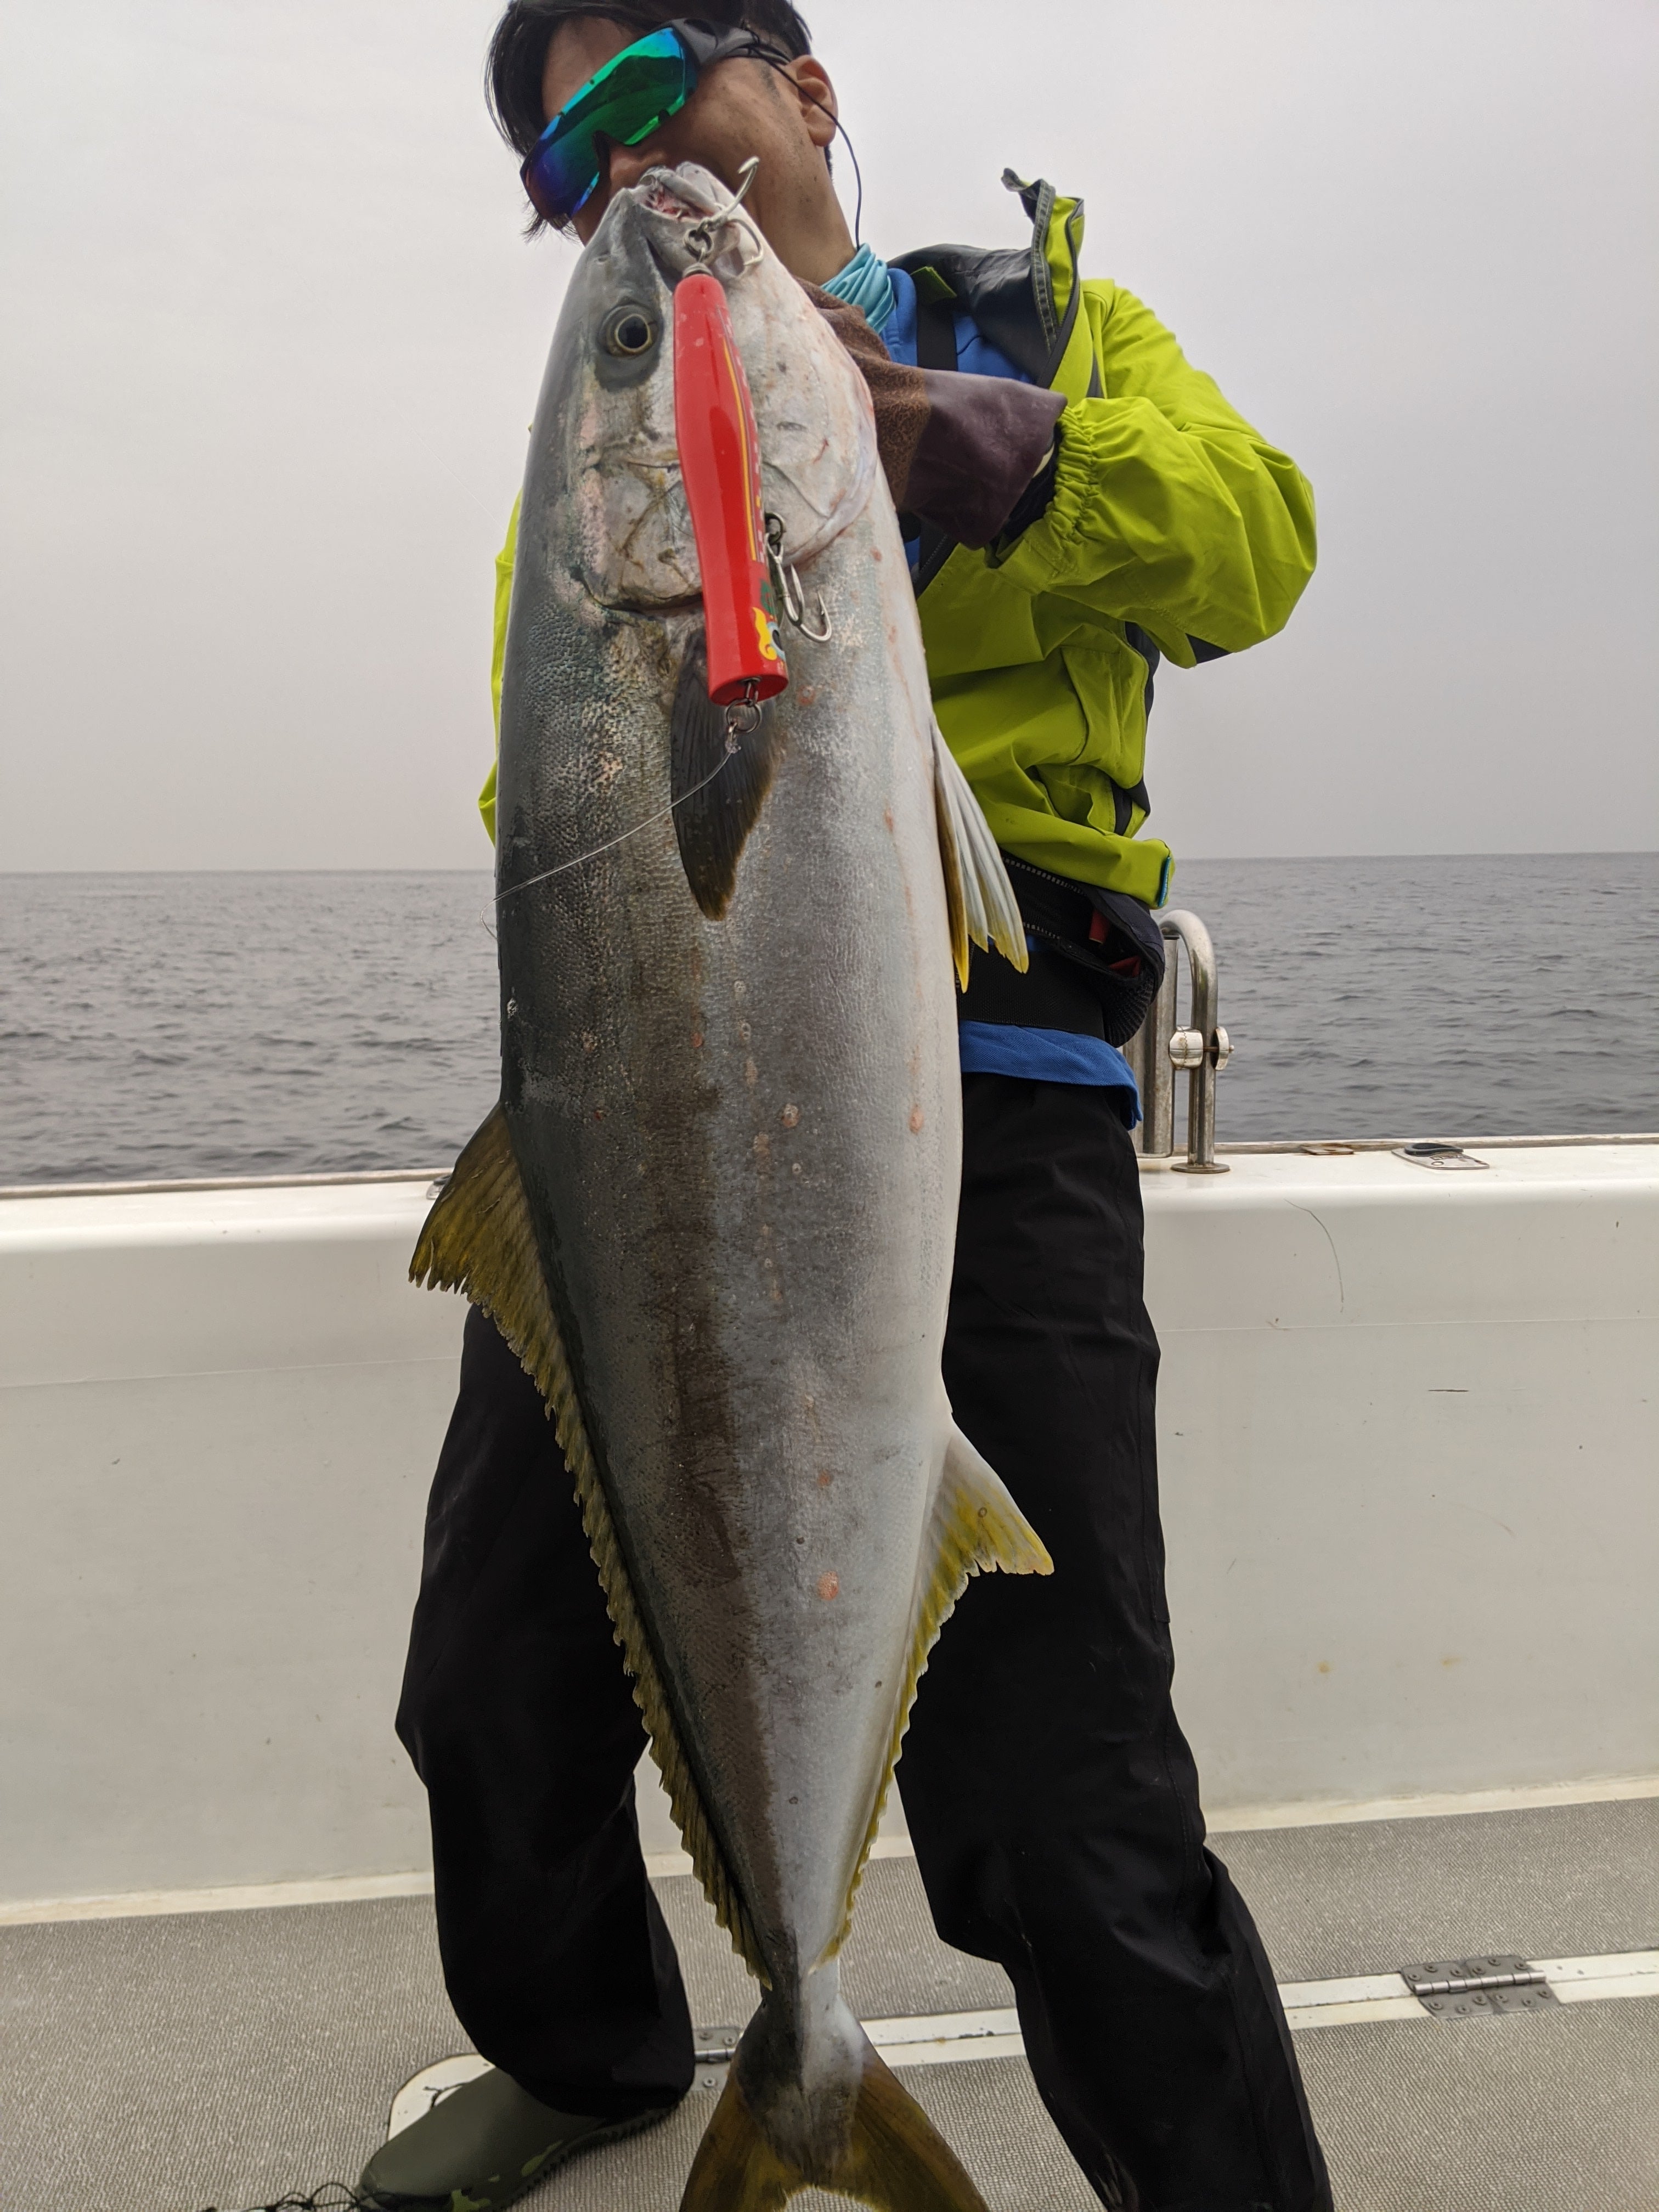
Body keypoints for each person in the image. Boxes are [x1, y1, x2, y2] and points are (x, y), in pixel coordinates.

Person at [366, 7, 1326, 2209]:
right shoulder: (604, 463)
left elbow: (1259, 548)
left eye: (641, 90)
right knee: (487, 1691)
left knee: (1064, 1806)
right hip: (655, 1138)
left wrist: (1013, 457)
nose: (610, 164)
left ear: (804, 92)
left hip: (992, 1101)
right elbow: (572, 804)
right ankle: (603, 2049)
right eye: (558, 162)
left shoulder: (1057, 328)